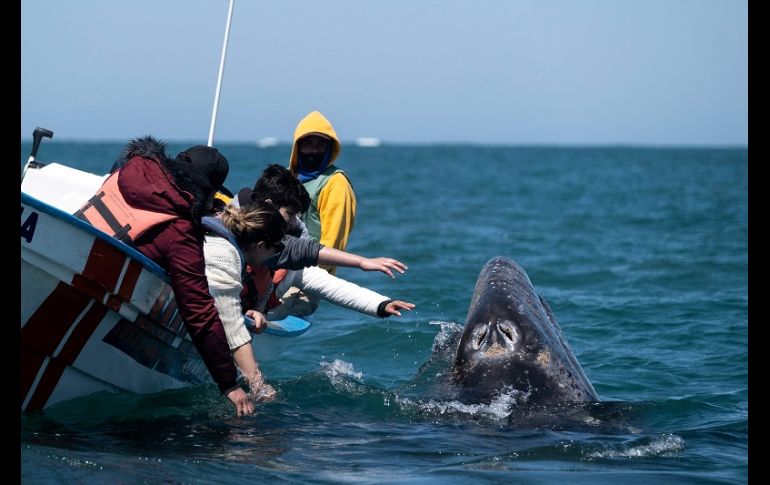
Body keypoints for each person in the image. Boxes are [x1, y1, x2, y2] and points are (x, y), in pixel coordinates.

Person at [74, 136, 254, 416]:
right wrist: (229, 384)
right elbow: (199, 312)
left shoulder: (125, 171)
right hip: (88, 291)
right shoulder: (181, 231)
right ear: (209, 191)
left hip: (73, 259)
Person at [201, 201, 412, 401]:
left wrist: (379, 300)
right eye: (275, 249)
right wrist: (257, 384)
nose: (279, 255)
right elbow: (230, 323)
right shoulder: (221, 254)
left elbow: (318, 266)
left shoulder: (255, 239)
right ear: (261, 245)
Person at [236, 164, 415, 321]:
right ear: (269, 205)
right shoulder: (226, 233)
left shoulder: (287, 252)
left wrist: (380, 304)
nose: (293, 222)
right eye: (289, 214)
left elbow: (325, 282)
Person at [288, 110, 355, 274]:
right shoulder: (286, 178)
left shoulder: (335, 182)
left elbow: (333, 240)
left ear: (329, 148)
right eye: (308, 143)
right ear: (298, 146)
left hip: (309, 275)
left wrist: (313, 274)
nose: (314, 150)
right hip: (275, 271)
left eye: (320, 144)